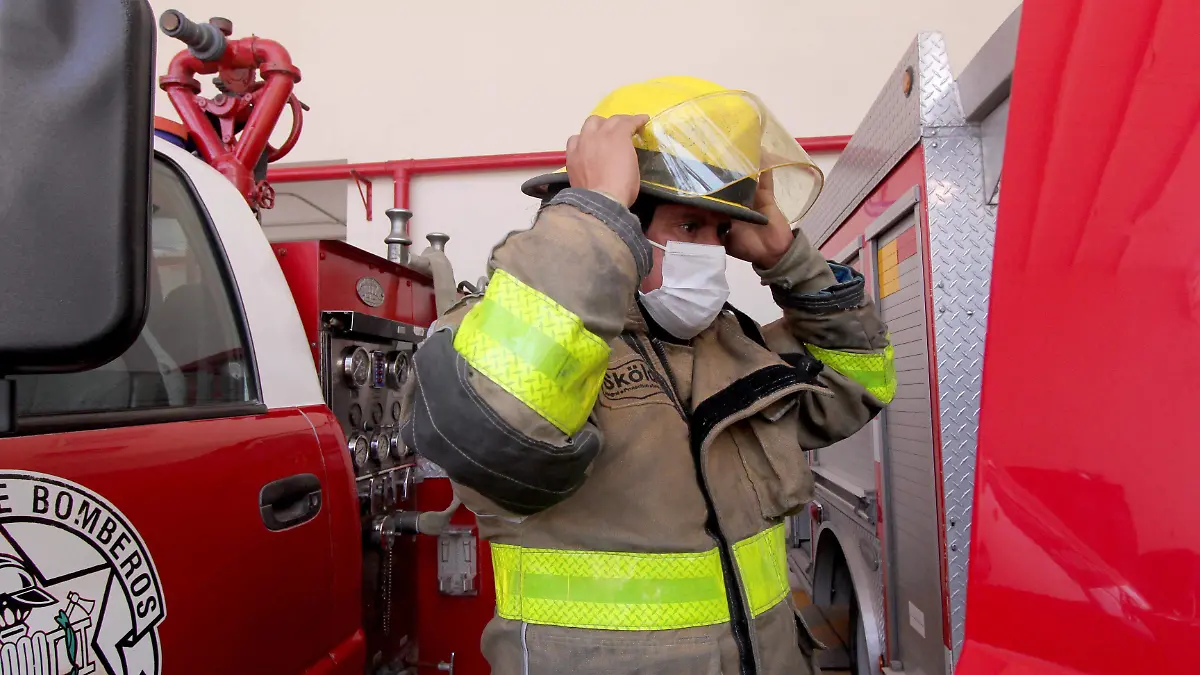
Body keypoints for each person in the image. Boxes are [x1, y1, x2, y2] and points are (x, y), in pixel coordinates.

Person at [400, 76, 894, 675]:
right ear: (624, 226)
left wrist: (790, 262)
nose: (712, 252)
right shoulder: (510, 331)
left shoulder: (727, 348)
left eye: (721, 232)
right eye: (690, 228)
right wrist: (592, 217)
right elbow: (502, 435)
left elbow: (858, 384)